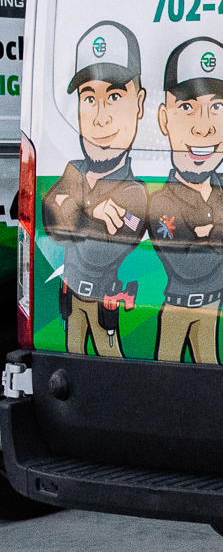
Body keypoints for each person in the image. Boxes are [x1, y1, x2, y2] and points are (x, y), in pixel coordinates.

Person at [146, 36, 223, 362]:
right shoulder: (161, 201)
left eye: (217, 107)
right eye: (187, 107)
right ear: (163, 119)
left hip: (216, 309)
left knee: (211, 367)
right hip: (177, 311)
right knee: (166, 380)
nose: (204, 128)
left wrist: (210, 234)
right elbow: (189, 266)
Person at [43, 21, 149, 356]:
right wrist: (90, 210)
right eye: (89, 97)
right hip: (70, 303)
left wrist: (74, 207)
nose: (100, 118)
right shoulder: (74, 169)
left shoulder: (134, 192)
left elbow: (97, 250)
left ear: (139, 104)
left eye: (114, 97)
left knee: (111, 368)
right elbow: (51, 221)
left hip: (105, 309)